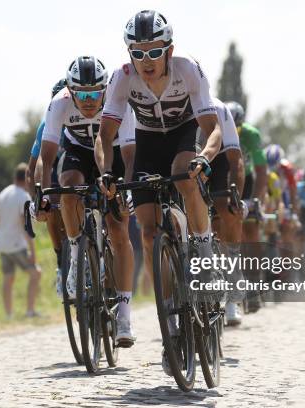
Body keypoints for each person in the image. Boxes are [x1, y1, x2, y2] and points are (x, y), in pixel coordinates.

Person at [95, 10, 231, 374]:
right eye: (137, 53)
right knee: (151, 232)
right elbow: (104, 136)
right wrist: (106, 172)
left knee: (183, 177)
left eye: (153, 52)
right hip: (148, 142)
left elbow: (212, 128)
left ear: (169, 49)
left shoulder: (188, 68)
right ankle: (170, 323)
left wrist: (204, 157)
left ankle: (202, 250)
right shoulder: (122, 78)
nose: (146, 61)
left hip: (184, 136)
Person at [38, 56, 137, 347]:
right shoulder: (59, 103)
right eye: (82, 94)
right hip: (78, 150)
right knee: (67, 189)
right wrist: (44, 194)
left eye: (95, 92)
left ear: (105, 89)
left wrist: (127, 191)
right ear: (70, 90)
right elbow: (46, 157)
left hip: (116, 152)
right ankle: (75, 255)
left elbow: (131, 155)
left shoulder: (120, 102)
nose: (89, 100)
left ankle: (124, 316)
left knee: (119, 230)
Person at [196, 97, 245, 325]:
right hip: (191, 159)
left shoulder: (219, 109)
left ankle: (233, 283)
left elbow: (236, 162)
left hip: (221, 159)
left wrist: (236, 197)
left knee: (226, 211)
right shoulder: (173, 107)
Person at [27, 79, 67, 298]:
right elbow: (33, 168)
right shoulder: (47, 125)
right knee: (51, 209)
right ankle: (62, 262)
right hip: (53, 173)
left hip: (77, 168)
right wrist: (37, 199)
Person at [226, 101, 267, 312]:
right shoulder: (215, 124)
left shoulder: (251, 134)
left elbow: (261, 170)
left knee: (250, 229)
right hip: (222, 175)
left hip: (247, 177)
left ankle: (254, 282)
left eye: (237, 127)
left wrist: (256, 200)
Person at [0, 164, 41, 319]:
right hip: (17, 243)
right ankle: (30, 311)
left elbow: (0, 219)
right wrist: (33, 251)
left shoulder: (3, 193)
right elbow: (26, 225)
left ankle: (9, 314)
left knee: (8, 279)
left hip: (2, 243)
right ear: (27, 178)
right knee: (36, 273)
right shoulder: (23, 196)